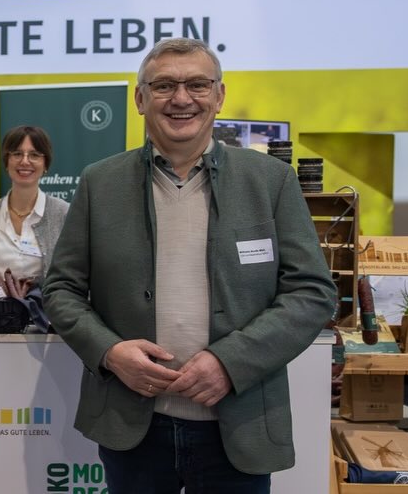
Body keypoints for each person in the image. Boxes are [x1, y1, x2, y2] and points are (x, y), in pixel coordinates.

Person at [43, 38, 336, 493]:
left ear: (219, 95)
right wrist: (110, 352)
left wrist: (230, 362)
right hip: (132, 427)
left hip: (240, 426)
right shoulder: (100, 183)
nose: (181, 98)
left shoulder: (270, 181)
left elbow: (312, 293)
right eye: (163, 86)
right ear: (140, 99)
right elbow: (61, 289)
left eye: (197, 84)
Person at [0, 125, 69, 288]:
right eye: (17, 154)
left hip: (49, 305)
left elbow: (75, 272)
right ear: (6, 161)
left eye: (34, 155)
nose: (25, 161)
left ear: (45, 164)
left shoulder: (64, 214)